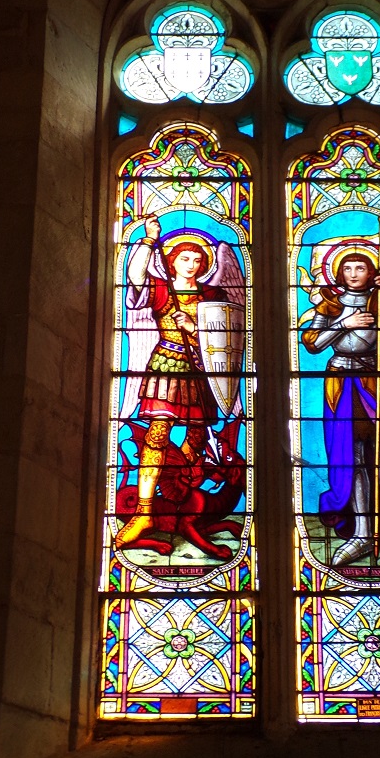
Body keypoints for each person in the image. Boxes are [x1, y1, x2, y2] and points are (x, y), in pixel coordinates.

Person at [301, 250, 380, 567]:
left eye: (361, 267)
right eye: (348, 267)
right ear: (339, 272)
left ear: (372, 272)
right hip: (341, 384)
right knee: (352, 455)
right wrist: (345, 322)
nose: (355, 273)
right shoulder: (329, 303)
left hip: (375, 381)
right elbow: (313, 343)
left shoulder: (379, 301)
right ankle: (360, 534)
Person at [115, 215, 227, 549]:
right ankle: (145, 511)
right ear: (173, 259)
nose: (191, 264)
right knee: (158, 432)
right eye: (184, 258)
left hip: (198, 367)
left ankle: (181, 503)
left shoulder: (212, 293)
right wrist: (149, 240)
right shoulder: (161, 287)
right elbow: (135, 276)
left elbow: (226, 336)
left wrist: (194, 327)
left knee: (196, 434)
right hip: (166, 362)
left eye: (197, 259)